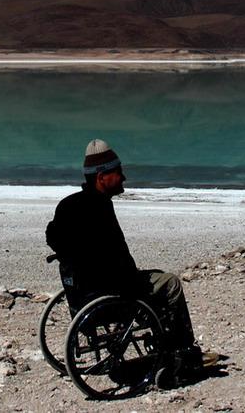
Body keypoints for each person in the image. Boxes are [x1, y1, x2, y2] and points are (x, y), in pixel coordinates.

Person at [46, 138, 206, 378]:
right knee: (170, 283)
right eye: (118, 172)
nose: (123, 177)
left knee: (153, 277)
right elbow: (116, 261)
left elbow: (53, 235)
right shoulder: (100, 209)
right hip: (111, 294)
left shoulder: (67, 205)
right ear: (101, 177)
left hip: (82, 293)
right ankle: (183, 351)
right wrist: (137, 287)